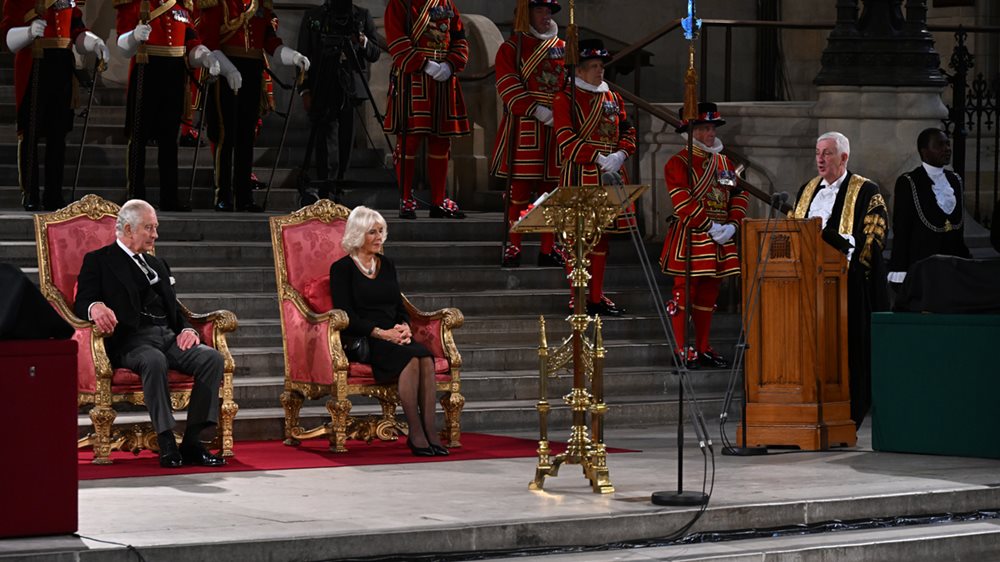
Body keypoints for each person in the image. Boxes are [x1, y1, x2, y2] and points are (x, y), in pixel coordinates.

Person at [74, 200, 226, 468]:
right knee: (154, 360)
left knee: (211, 358)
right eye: (149, 228)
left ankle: (192, 442)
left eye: (155, 227)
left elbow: (176, 309)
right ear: (129, 229)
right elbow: (81, 301)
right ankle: (167, 441)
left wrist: (189, 329)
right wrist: (95, 306)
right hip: (131, 341)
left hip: (168, 337)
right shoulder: (99, 261)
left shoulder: (158, 264)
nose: (155, 234)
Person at [329, 206, 449, 456]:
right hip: (364, 339)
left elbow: (398, 305)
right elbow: (345, 314)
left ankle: (430, 430)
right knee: (410, 359)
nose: (378, 237)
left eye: (381, 231)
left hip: (393, 335)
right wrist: (381, 333)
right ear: (357, 234)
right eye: (372, 232)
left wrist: (404, 326)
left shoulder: (388, 264)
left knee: (424, 357)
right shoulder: (342, 268)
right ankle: (416, 433)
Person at [790, 131, 889, 429]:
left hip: (850, 286)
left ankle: (850, 410)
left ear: (844, 157)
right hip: (809, 286)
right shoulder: (806, 190)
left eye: (828, 153)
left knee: (850, 349)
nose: (820, 158)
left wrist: (847, 254)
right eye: (818, 152)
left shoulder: (867, 191)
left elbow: (874, 237)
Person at [659, 102, 749, 369]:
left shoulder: (725, 162)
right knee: (684, 295)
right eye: (706, 128)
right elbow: (682, 202)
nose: (712, 133)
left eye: (713, 128)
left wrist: (733, 224)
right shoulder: (677, 162)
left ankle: (702, 346)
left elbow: (739, 194)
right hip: (691, 236)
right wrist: (710, 226)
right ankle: (680, 348)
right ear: (691, 131)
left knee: (709, 295)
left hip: (721, 236)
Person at [198, 0, 310, 212]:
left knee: (246, 137)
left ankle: (244, 197)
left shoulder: (260, 5)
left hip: (253, 71)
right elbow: (209, 41)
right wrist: (228, 69)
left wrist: (292, 56)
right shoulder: (218, 3)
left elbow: (270, 41)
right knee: (225, 135)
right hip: (225, 67)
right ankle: (222, 195)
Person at [552, 38, 636, 316]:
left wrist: (621, 154)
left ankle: (597, 297)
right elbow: (565, 139)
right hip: (580, 173)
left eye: (601, 65)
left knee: (602, 239)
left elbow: (627, 130)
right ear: (579, 70)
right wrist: (599, 158)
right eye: (593, 66)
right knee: (576, 239)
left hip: (611, 173)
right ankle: (577, 297)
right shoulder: (565, 98)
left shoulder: (613, 97)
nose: (600, 71)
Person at [2, 0, 109, 211]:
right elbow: (7, 35)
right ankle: (30, 193)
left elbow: (76, 27)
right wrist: (28, 32)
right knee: (30, 133)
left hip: (61, 66)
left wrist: (94, 42)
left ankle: (54, 193)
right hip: (34, 62)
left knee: (58, 136)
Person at [116, 0, 221, 212]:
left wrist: (204, 56)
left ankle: (169, 197)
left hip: (173, 75)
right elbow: (123, 44)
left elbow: (192, 42)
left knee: (169, 141)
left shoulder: (180, 8)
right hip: (146, 70)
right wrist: (134, 36)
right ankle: (136, 196)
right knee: (139, 138)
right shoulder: (135, 5)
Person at [490, 0, 566, 268]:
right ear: (526, 14)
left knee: (551, 191)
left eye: (548, 11)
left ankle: (548, 247)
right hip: (526, 124)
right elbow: (507, 84)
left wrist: (563, 112)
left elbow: (570, 83)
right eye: (540, 10)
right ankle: (514, 245)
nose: (546, 16)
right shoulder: (511, 48)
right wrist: (534, 108)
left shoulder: (563, 48)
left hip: (557, 127)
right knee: (519, 191)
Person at [383, 0, 470, 219]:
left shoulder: (446, 3)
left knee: (441, 141)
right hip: (414, 77)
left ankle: (438, 201)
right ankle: (405, 198)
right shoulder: (400, 4)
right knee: (410, 140)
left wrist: (450, 64)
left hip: (444, 78)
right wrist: (425, 65)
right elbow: (396, 40)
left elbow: (459, 38)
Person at [298, 0, 380, 200]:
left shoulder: (361, 16)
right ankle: (325, 185)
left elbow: (375, 53)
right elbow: (303, 55)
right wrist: (305, 89)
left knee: (346, 137)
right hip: (322, 84)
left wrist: (362, 41)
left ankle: (340, 184)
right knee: (324, 137)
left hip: (350, 87)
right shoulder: (315, 16)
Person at [888, 128, 971, 289]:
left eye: (947, 144)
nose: (947, 148)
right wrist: (900, 268)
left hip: (953, 265)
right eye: (940, 145)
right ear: (924, 151)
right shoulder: (909, 181)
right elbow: (902, 229)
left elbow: (958, 229)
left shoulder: (955, 180)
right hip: (922, 265)